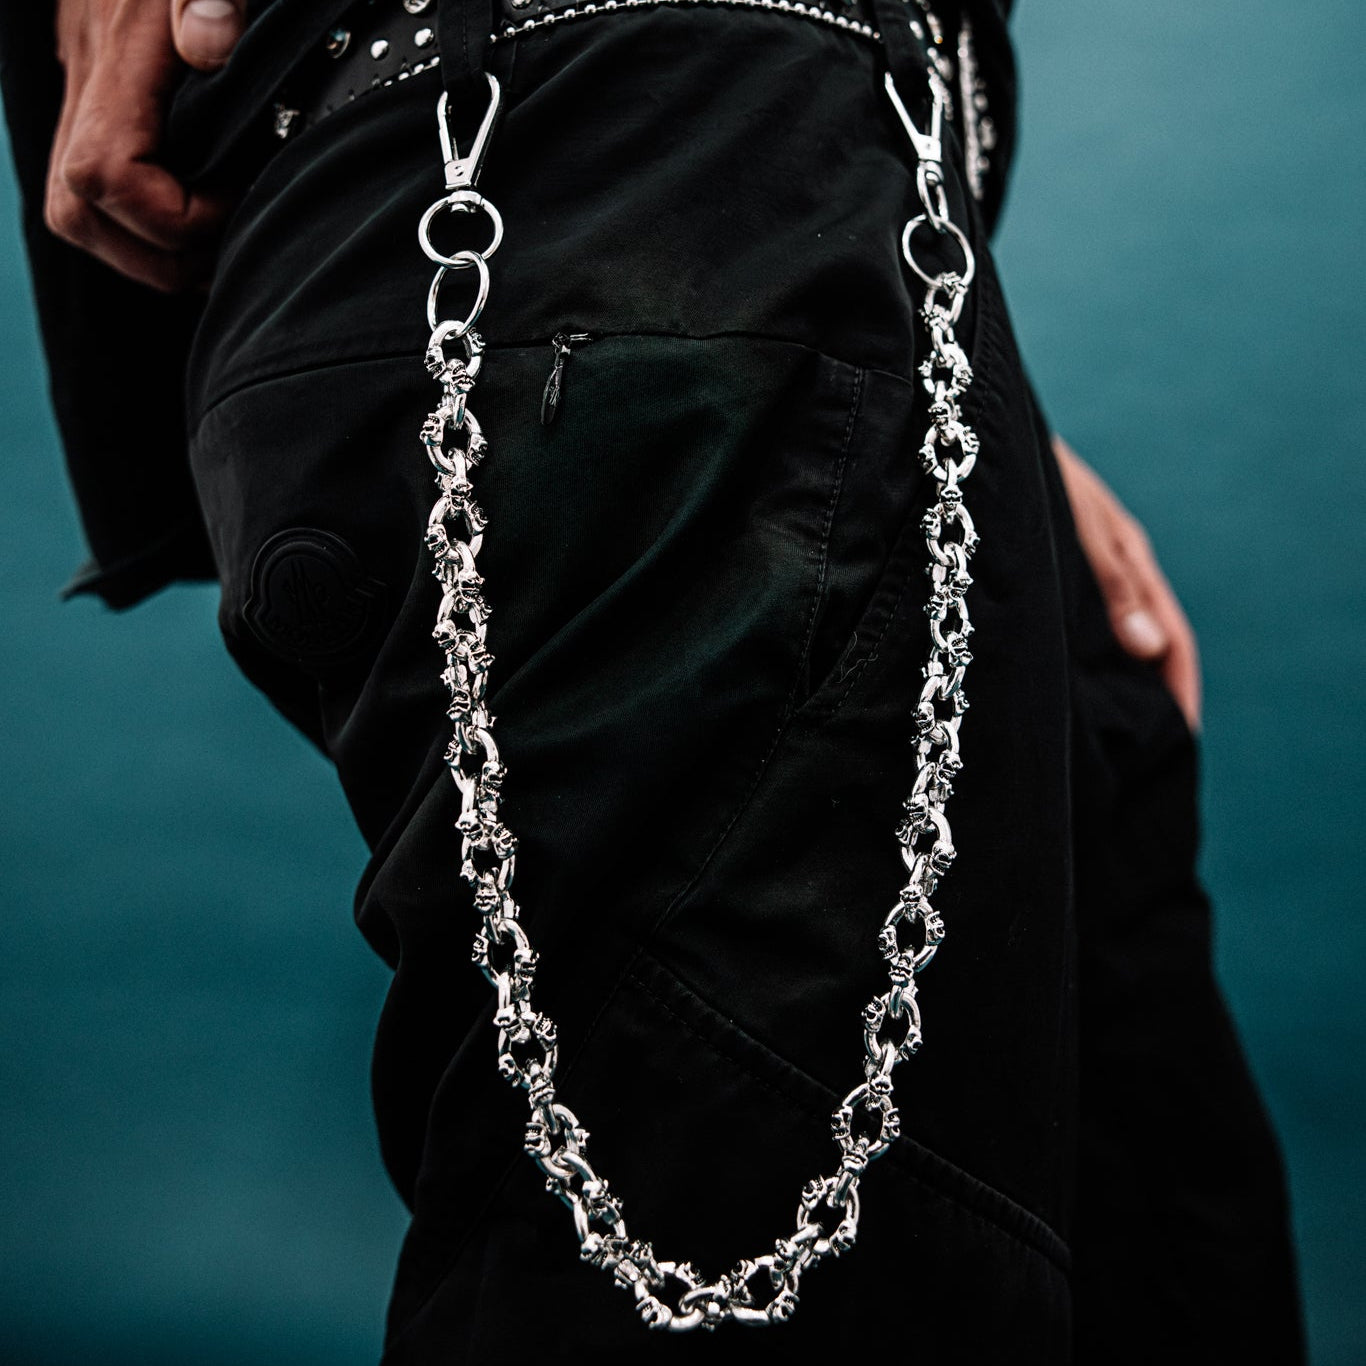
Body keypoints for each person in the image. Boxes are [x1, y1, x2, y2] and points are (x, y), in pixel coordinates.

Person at [1, 0, 1305, 1360]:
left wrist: (975, 386)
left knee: (1145, 1223)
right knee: (753, 1255)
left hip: (787, 219)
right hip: (618, 178)